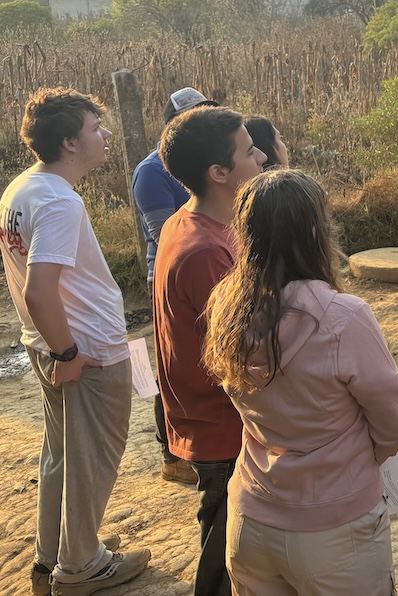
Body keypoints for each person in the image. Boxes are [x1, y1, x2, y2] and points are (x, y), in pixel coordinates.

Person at [203, 170, 398, 595]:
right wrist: (357, 462)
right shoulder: (344, 316)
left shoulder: (225, 306)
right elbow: (391, 421)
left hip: (250, 515)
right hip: (335, 528)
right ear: (316, 232)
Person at [1, 87, 151, 595]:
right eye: (94, 128)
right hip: (83, 351)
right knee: (92, 461)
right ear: (69, 142)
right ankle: (81, 565)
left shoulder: (22, 187)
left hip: (47, 343)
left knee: (62, 454)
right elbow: (39, 290)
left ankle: (53, 554)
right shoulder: (59, 201)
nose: (105, 135)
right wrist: (69, 353)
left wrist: (57, 348)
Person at [157, 107, 265, 596]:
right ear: (219, 173)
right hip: (223, 426)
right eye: (249, 150)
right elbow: (239, 356)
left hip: (213, 418)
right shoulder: (206, 252)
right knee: (225, 552)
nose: (261, 158)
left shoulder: (193, 223)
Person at [132, 85, 216, 487]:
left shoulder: (212, 159)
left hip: (208, 260)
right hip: (173, 272)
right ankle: (172, 454)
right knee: (177, 364)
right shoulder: (151, 171)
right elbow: (165, 232)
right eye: (193, 116)